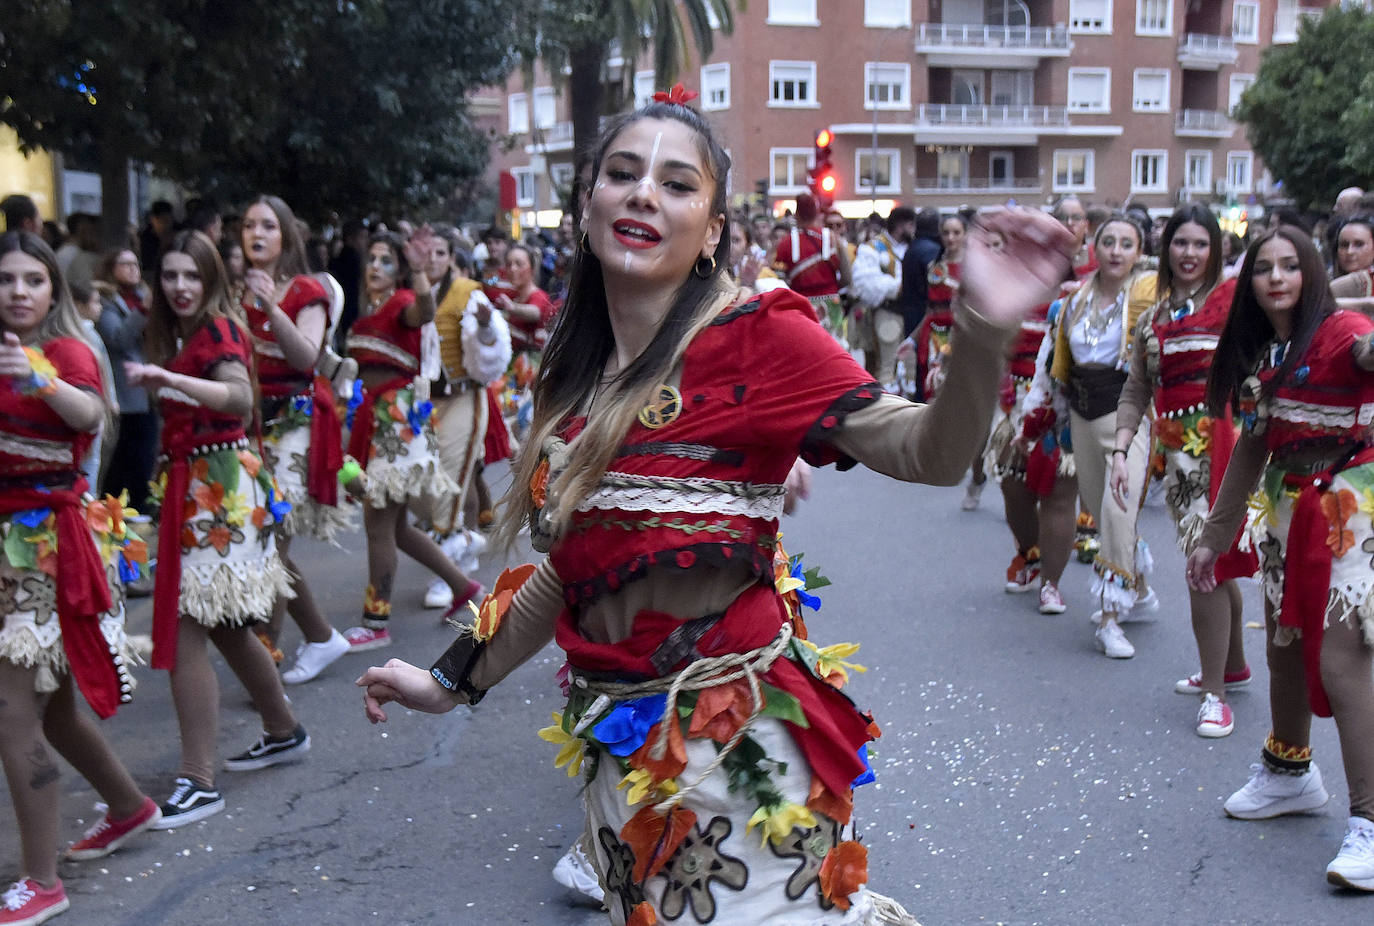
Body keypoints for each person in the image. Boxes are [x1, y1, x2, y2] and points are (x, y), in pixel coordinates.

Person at [356, 96, 1075, 924]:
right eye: (622, 175)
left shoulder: (760, 336)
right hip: (622, 757)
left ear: (712, 228)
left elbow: (932, 453)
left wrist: (983, 329)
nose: (642, 196)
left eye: (676, 184)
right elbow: (572, 568)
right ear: (586, 202)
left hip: (739, 748)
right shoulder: (576, 370)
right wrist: (450, 680)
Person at [1187, 226, 1374, 892]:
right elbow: (1251, 450)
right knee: (1286, 648)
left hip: (1354, 509)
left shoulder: (1345, 331)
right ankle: (1291, 773)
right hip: (1288, 512)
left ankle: (1370, 824)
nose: (1276, 277)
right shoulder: (1271, 354)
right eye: (1264, 267)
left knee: (1342, 658)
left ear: (1312, 272)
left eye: (1291, 265)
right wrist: (1214, 534)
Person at [0, 231, 159, 926]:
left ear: (53, 291)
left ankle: (42, 880)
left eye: (33, 280)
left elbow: (91, 416)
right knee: (53, 709)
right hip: (10, 550)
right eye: (6, 280)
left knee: (12, 716)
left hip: (43, 553)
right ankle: (128, 806)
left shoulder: (65, 352)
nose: (18, 292)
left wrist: (39, 378)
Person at [129, 230, 310, 829]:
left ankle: (198, 781)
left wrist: (170, 380)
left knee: (184, 635)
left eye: (192, 275)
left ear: (210, 279)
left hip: (220, 492)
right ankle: (283, 729)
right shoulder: (185, 334)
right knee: (232, 629)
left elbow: (237, 399)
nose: (180, 286)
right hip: (201, 490)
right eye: (170, 275)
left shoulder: (219, 331)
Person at [1112, 204, 1254, 737]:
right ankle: (1232, 666)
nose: (1189, 254)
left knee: (1203, 569)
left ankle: (1216, 695)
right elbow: (1137, 388)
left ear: (1215, 250)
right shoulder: (1152, 317)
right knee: (1211, 563)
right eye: (1180, 243)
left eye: (1200, 244)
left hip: (1230, 455)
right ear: (1165, 248)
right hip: (1179, 463)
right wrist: (1122, 448)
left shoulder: (1239, 304)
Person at [340, 229, 484, 651]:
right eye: (372, 259)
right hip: (378, 423)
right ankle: (463, 587)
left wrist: (420, 273)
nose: (375, 268)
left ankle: (376, 621)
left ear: (399, 269)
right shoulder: (365, 314)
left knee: (377, 522)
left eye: (386, 261)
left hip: (398, 422)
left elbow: (424, 309)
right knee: (396, 527)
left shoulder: (403, 302)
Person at [236, 195, 351, 683]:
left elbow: (306, 356)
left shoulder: (308, 289)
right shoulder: (231, 289)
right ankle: (321, 637)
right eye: (247, 225)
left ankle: (270, 655)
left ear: (285, 233)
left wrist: (268, 304)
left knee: (271, 541)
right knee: (267, 544)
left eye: (266, 225)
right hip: (249, 425)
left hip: (296, 424)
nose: (255, 233)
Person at [1044, 215, 1158, 658]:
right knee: (1103, 509)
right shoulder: (1075, 300)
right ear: (1095, 247)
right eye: (1107, 241)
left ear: (1138, 251)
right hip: (1082, 415)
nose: (1115, 251)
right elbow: (1057, 363)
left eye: (1125, 244)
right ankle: (1142, 592)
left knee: (1117, 510)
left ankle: (1111, 618)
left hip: (1127, 414)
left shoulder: (1150, 296)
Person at [422, 226, 511, 610]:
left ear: (450, 257)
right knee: (426, 480)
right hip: (422, 402)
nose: (432, 260)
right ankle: (467, 541)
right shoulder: (411, 294)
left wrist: (488, 325)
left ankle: (449, 571)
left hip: (462, 398)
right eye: (426, 252)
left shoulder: (467, 291)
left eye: (439, 253)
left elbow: (490, 350)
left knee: (452, 477)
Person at [95, 249, 157, 511]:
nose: (133, 269)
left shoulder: (144, 295)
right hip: (126, 386)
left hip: (150, 380)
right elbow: (118, 337)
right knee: (131, 447)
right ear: (111, 268)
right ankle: (132, 501)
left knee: (141, 446)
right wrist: (143, 311)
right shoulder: (105, 302)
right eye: (125, 264)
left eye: (136, 263)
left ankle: (124, 501)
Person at [772, 192, 851, 342]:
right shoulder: (834, 240)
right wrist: (833, 287)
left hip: (800, 306)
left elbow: (778, 281)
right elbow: (847, 277)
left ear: (797, 215)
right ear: (817, 214)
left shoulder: (785, 243)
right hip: (831, 305)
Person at [850, 206, 914, 389]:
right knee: (886, 365)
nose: (913, 230)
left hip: (913, 314)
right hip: (888, 312)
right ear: (901, 225)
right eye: (911, 225)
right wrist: (897, 287)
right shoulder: (873, 248)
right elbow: (865, 284)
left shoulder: (914, 245)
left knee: (911, 368)